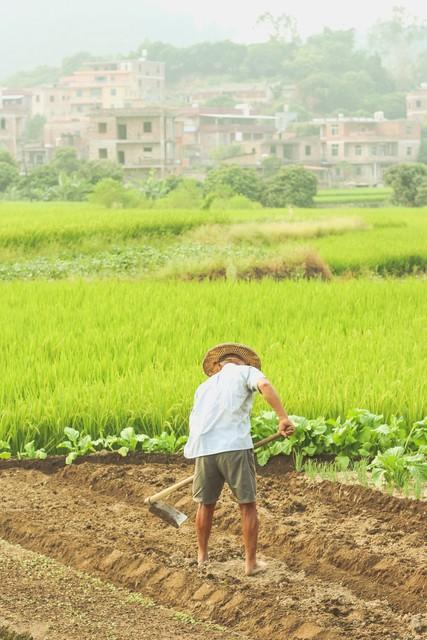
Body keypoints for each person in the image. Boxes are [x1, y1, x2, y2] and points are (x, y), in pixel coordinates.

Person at [184, 342, 294, 576]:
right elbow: (264, 385)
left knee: (206, 504)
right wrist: (282, 417)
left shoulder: (204, 386)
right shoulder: (247, 372)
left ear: (218, 366)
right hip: (234, 446)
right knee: (247, 503)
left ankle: (202, 557)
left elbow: (195, 419)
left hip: (204, 448)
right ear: (242, 362)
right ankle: (250, 563)